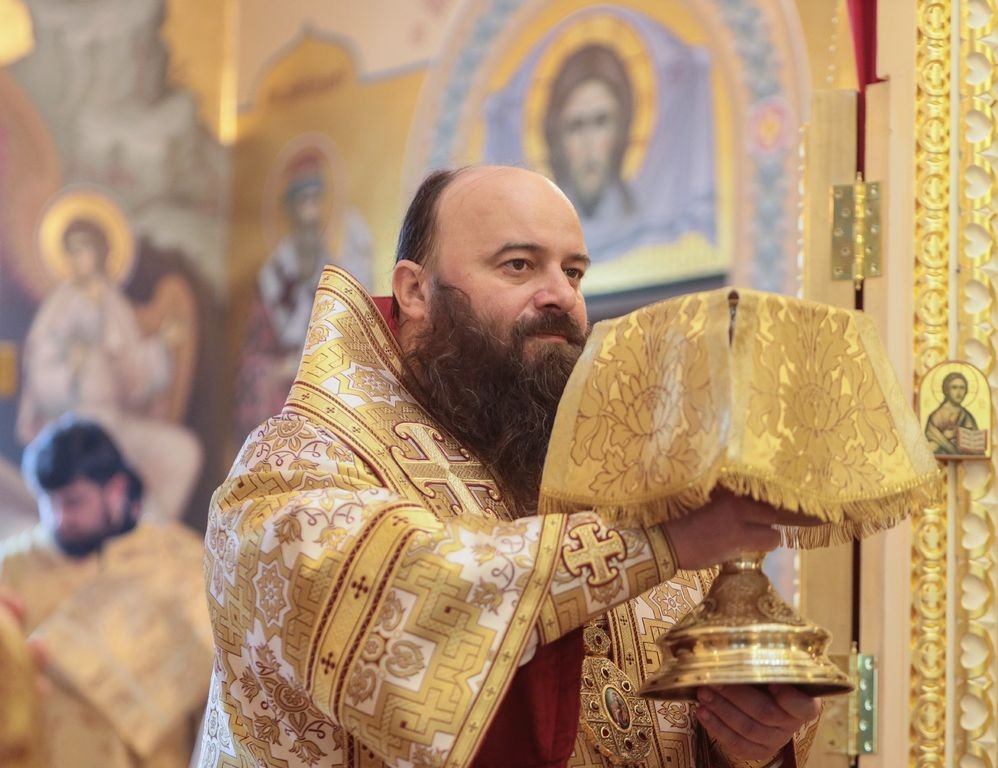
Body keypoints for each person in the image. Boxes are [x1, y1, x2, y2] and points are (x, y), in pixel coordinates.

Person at [198, 166, 820, 768]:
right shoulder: (301, 461)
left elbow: (696, 709)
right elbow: (394, 601)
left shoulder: (614, 476)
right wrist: (655, 542)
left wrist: (750, 739)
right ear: (415, 290)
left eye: (573, 271)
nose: (561, 296)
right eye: (518, 265)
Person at [0, 417, 214, 768]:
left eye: (74, 502)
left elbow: (216, 674)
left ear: (115, 490)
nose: (58, 518)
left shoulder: (175, 560)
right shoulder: (12, 565)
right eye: (48, 501)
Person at [17, 216, 203, 522]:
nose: (79, 258)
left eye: (85, 250)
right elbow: (41, 372)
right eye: (73, 251)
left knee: (183, 451)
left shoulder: (113, 303)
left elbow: (135, 374)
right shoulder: (57, 307)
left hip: (116, 422)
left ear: (101, 253)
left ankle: (149, 534)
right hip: (71, 427)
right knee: (68, 470)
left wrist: (160, 346)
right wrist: (72, 369)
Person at [235, 148, 374, 437]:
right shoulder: (272, 278)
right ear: (291, 209)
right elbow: (255, 353)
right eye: (304, 202)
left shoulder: (335, 271)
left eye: (316, 201)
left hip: (325, 386)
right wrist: (281, 368)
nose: (311, 214)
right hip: (282, 392)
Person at [544, 43, 636, 221]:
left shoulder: (651, 227)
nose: (589, 144)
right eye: (575, 126)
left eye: (601, 122)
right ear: (557, 137)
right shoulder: (545, 222)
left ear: (621, 128)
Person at [924, 371, 983, 455]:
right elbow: (929, 444)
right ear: (947, 390)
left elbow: (977, 449)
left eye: (962, 388)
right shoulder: (936, 416)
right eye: (954, 387)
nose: (959, 392)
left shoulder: (967, 416)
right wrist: (944, 437)